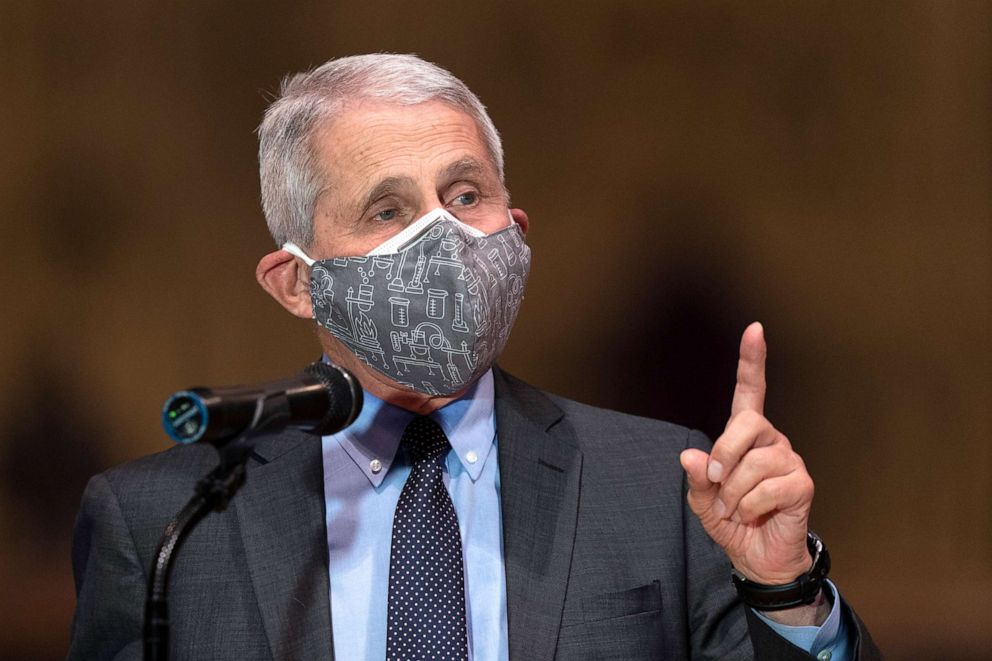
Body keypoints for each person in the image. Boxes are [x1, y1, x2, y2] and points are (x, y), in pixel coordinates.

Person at [69, 54, 880, 660]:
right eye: (388, 208)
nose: (443, 237)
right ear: (296, 283)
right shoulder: (164, 526)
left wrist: (785, 591)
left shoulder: (670, 489)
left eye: (465, 196)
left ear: (516, 230)